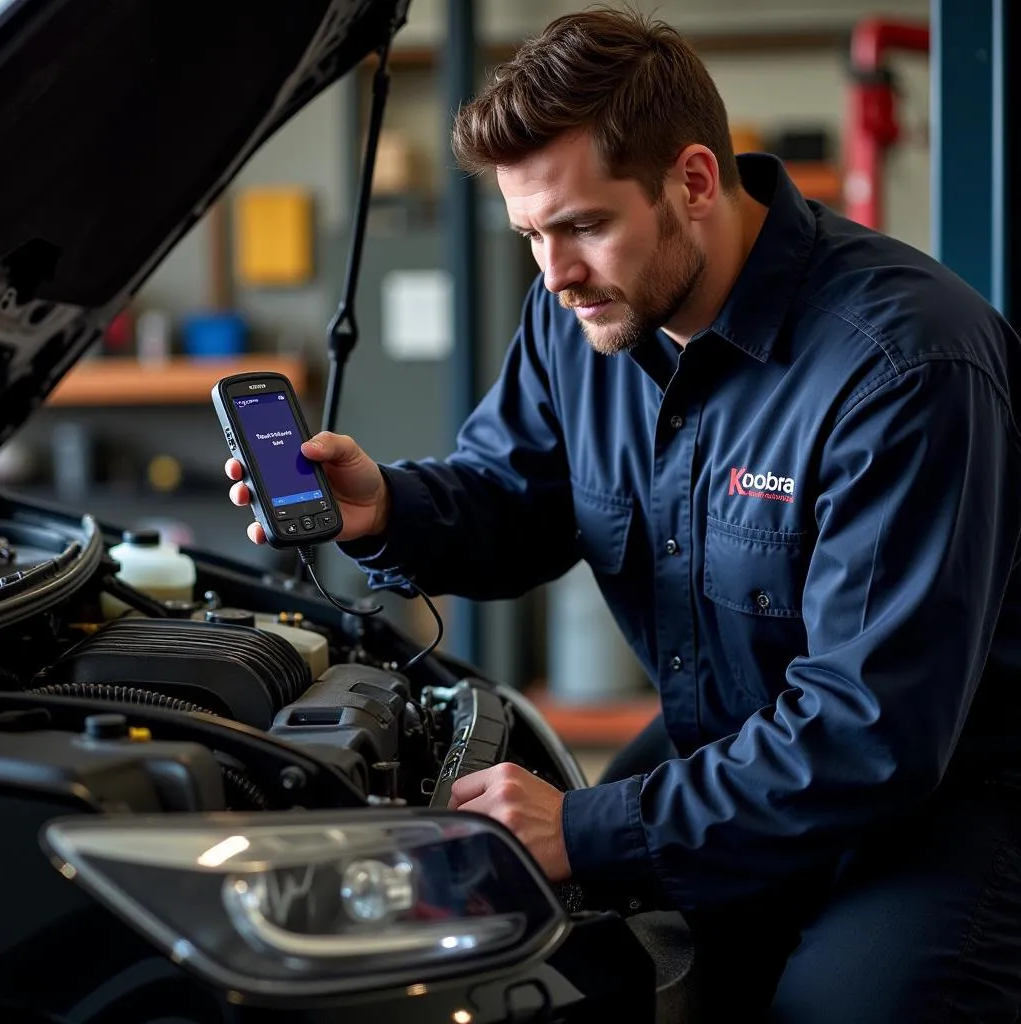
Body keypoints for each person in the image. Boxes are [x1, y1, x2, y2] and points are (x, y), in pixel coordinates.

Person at [225, 7, 1021, 1020]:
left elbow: (869, 733)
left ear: (693, 180)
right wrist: (384, 509)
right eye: (528, 235)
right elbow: (513, 497)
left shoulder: (902, 368)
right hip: (734, 747)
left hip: (947, 802)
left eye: (583, 226)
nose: (553, 274)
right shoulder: (586, 319)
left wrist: (592, 826)